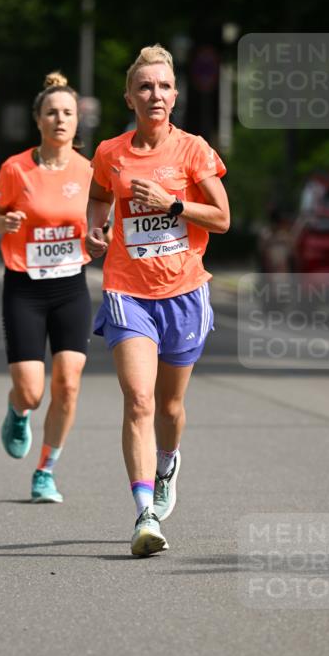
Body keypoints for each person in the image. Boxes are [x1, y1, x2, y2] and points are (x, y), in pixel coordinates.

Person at [86, 45, 230, 556]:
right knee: (139, 399)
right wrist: (94, 227)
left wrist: (173, 204)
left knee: (169, 405)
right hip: (128, 290)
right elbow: (101, 196)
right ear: (129, 97)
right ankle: (144, 514)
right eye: (145, 87)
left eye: (164, 86)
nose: (156, 95)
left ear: (175, 95)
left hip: (185, 291)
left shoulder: (193, 150)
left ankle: (168, 462)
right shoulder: (110, 153)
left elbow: (222, 217)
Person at [0, 72, 93, 503]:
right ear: (38, 120)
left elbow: (103, 224)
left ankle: (45, 471)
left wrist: (101, 240)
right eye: (52, 112)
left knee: (68, 384)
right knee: (32, 390)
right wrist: (4, 221)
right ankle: (17, 411)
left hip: (71, 287)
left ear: (77, 121)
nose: (60, 119)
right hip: (25, 288)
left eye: (68, 113)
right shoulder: (16, 168)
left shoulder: (90, 171)